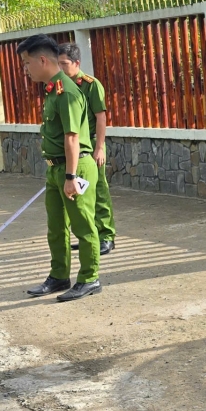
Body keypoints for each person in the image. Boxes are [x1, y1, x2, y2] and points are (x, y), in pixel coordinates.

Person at [18, 34, 102, 302]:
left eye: (27, 63)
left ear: (42, 60)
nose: (25, 69)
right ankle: (59, 276)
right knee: (56, 227)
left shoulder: (67, 92)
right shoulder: (53, 89)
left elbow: (72, 138)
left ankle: (89, 278)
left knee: (83, 225)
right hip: (56, 168)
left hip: (73, 167)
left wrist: (71, 176)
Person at [57, 43, 115, 255]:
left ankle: (106, 235)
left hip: (91, 145)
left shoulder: (90, 85)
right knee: (82, 194)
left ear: (76, 63)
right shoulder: (60, 87)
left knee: (99, 190)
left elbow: (101, 118)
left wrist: (99, 148)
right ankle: (89, 236)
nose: (61, 68)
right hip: (74, 147)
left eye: (64, 64)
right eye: (58, 64)